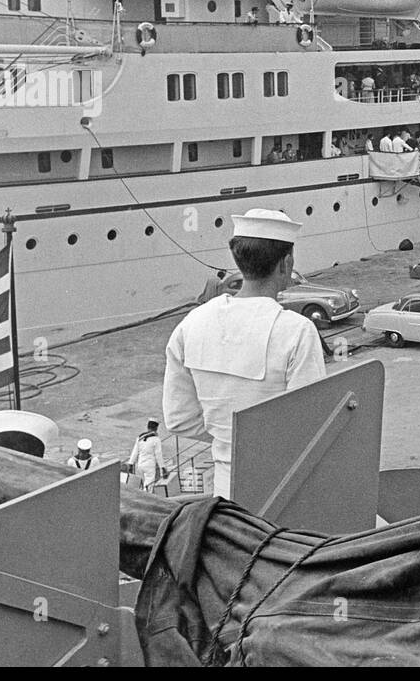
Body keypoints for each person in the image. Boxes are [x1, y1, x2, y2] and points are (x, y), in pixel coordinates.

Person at [163, 209, 326, 499]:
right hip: (284, 491)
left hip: (225, 493)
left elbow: (179, 419)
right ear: (286, 264)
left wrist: (227, 437)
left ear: (238, 261)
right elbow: (311, 425)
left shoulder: (191, 324)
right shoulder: (297, 331)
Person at [127, 421, 166, 490]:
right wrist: (162, 467)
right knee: (149, 487)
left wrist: (130, 463)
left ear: (147, 427)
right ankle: (146, 499)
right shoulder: (156, 439)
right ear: (156, 428)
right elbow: (158, 455)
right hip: (149, 466)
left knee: (142, 485)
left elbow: (135, 451)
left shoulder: (140, 438)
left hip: (140, 465)